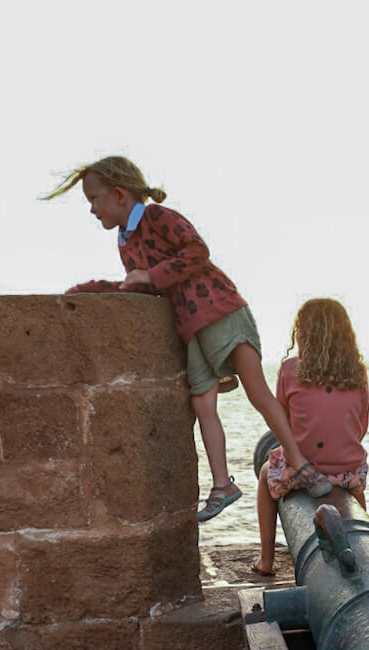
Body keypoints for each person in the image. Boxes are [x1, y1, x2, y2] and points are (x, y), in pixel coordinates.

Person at [43, 155, 332, 520]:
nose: (91, 209)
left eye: (93, 199)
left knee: (257, 392)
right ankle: (223, 485)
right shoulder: (125, 242)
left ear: (118, 195)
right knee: (202, 406)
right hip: (190, 326)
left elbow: (197, 251)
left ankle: (300, 464)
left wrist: (152, 275)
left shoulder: (158, 217)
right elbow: (139, 285)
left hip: (220, 309)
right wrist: (92, 289)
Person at [252, 298, 369, 576]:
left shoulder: (291, 369)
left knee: (267, 473)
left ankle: (266, 559)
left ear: (302, 333)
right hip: (348, 472)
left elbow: (283, 423)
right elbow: (361, 425)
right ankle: (365, 544)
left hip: (306, 471)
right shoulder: (358, 373)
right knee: (358, 492)